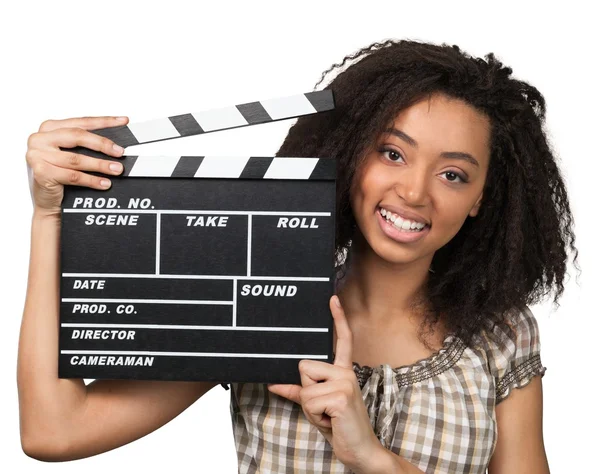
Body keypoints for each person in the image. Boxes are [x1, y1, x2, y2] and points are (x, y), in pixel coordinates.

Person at [18, 38, 578, 473]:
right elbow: (53, 430)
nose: (414, 192)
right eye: (392, 153)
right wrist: (49, 217)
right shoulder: (259, 306)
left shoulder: (500, 337)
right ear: (352, 154)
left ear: (481, 198)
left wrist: (373, 458)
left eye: (452, 174)